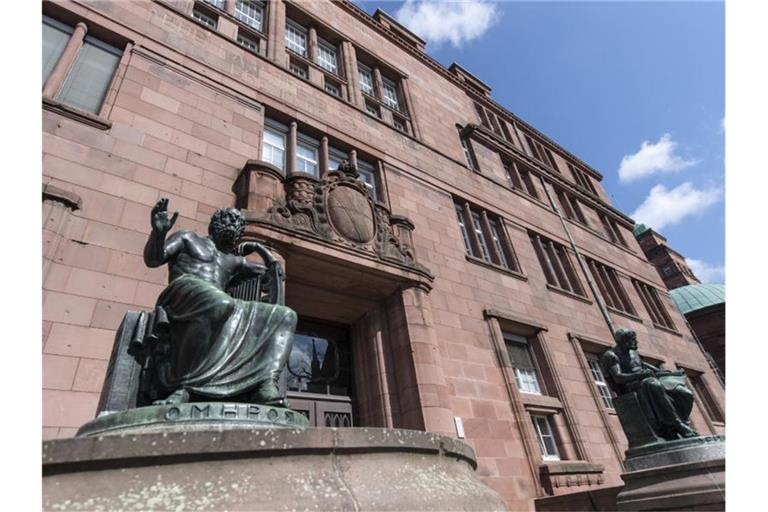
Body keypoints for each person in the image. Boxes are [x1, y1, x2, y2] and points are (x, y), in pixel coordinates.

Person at [141, 198, 296, 406]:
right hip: (182, 291)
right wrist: (158, 234)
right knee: (221, 303)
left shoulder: (232, 260)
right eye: (228, 220)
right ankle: (185, 385)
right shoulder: (188, 238)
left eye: (238, 225)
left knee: (285, 315)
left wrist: (265, 254)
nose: (232, 226)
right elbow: (153, 259)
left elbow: (268, 272)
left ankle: (265, 384)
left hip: (216, 301)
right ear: (214, 224)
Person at [601, 328, 697, 440]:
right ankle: (675, 424)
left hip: (646, 379)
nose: (636, 342)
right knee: (654, 384)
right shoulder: (611, 355)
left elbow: (643, 365)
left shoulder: (633, 352)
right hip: (631, 386)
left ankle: (683, 422)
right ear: (624, 341)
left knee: (684, 393)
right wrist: (640, 375)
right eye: (633, 340)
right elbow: (618, 378)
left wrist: (663, 372)